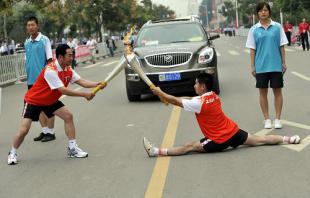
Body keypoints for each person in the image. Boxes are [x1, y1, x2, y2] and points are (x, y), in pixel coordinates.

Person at [143, 73, 301, 157]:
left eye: (196, 83)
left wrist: (160, 92)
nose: (194, 85)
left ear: (202, 86)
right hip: (234, 132)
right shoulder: (213, 96)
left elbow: (178, 101)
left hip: (218, 140)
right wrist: (164, 96)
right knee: (261, 139)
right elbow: (188, 99)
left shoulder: (199, 103)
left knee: (189, 147)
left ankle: (156, 152)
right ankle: (289, 139)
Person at [7, 44, 106, 165]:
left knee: (68, 116)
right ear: (60, 57)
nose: (72, 58)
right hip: (34, 101)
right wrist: (84, 95)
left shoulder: (68, 70)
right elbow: (63, 90)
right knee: (24, 130)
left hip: (50, 101)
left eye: (72, 55)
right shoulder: (50, 70)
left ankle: (72, 149)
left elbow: (82, 82)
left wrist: (98, 84)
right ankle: (12, 153)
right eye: (69, 55)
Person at [245, 2, 288, 129]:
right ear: (257, 13)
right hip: (261, 67)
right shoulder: (253, 29)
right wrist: (252, 66)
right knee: (262, 93)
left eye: (265, 10)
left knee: (277, 92)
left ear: (269, 12)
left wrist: (284, 62)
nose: (263, 12)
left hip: (276, 65)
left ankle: (278, 119)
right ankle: (267, 119)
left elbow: (282, 46)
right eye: (260, 11)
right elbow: (252, 49)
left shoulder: (277, 27)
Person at [24, 16, 57, 142]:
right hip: (31, 80)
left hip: (43, 80)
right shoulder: (27, 42)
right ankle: (45, 131)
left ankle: (51, 132)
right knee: (37, 107)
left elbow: (49, 59)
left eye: (33, 25)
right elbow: (27, 61)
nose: (31, 27)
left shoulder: (44, 40)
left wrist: (48, 76)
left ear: (37, 26)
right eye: (28, 25)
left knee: (49, 105)